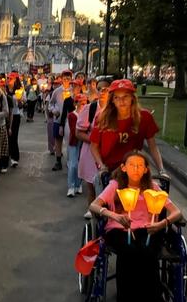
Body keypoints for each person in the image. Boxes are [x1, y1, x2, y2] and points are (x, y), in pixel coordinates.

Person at [89, 150, 181, 302]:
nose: (136, 169)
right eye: (132, 165)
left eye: (140, 166)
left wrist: (163, 223)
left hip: (149, 230)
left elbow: (177, 212)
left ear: (146, 169)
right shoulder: (115, 185)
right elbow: (94, 205)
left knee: (147, 254)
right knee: (129, 253)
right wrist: (113, 215)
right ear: (123, 167)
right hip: (119, 229)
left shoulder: (153, 187)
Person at [90, 79, 165, 176]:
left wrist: (162, 170)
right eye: (117, 97)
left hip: (134, 169)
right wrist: (102, 166)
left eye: (125, 96)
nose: (121, 101)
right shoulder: (102, 118)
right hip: (109, 170)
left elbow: (153, 146)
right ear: (112, 100)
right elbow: (93, 146)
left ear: (132, 98)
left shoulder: (144, 117)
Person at [77, 78, 110, 218]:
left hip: (109, 152)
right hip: (91, 152)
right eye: (100, 88)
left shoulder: (115, 110)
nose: (102, 92)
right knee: (91, 183)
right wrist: (95, 140)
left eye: (106, 89)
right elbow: (78, 132)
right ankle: (92, 210)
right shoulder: (90, 109)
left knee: (108, 185)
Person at [49, 70, 73, 170]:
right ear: (61, 80)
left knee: (70, 142)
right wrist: (54, 110)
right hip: (58, 120)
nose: (66, 80)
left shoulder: (74, 91)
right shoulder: (57, 91)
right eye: (64, 79)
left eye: (68, 78)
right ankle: (58, 161)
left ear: (71, 79)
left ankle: (70, 161)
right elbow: (50, 103)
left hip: (70, 120)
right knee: (58, 141)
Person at [65, 93, 88, 197]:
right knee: (73, 165)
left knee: (81, 164)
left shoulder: (87, 115)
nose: (83, 105)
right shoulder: (72, 115)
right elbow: (74, 131)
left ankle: (79, 184)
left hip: (83, 142)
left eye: (85, 103)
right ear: (76, 103)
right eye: (81, 103)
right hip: (74, 142)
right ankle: (71, 186)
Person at [7, 73, 25, 168]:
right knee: (7, 137)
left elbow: (22, 105)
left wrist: (19, 101)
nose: (9, 80)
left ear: (15, 80)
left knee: (13, 136)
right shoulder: (4, 89)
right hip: (7, 116)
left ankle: (15, 157)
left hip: (15, 114)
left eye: (11, 78)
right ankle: (7, 155)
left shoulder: (19, 90)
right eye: (8, 78)